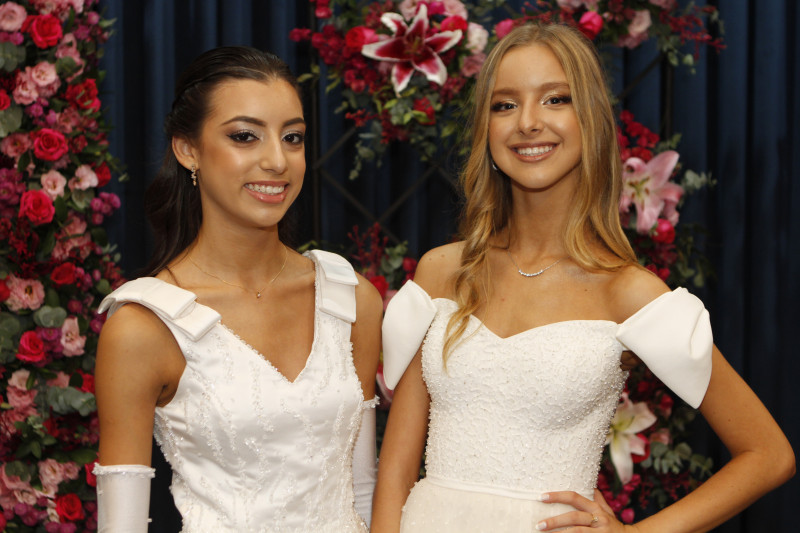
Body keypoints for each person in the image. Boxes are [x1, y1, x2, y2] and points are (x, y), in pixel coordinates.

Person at [372, 23, 794, 533]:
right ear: (485, 128)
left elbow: (769, 455)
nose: (528, 122)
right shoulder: (444, 271)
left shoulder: (627, 292)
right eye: (505, 105)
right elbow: (394, 473)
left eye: (555, 99)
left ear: (590, 119)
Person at [92, 46, 382, 532]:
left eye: (293, 137)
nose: (276, 160)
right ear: (188, 150)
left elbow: (364, 491)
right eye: (245, 136)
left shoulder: (350, 298)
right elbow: (120, 526)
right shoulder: (143, 325)